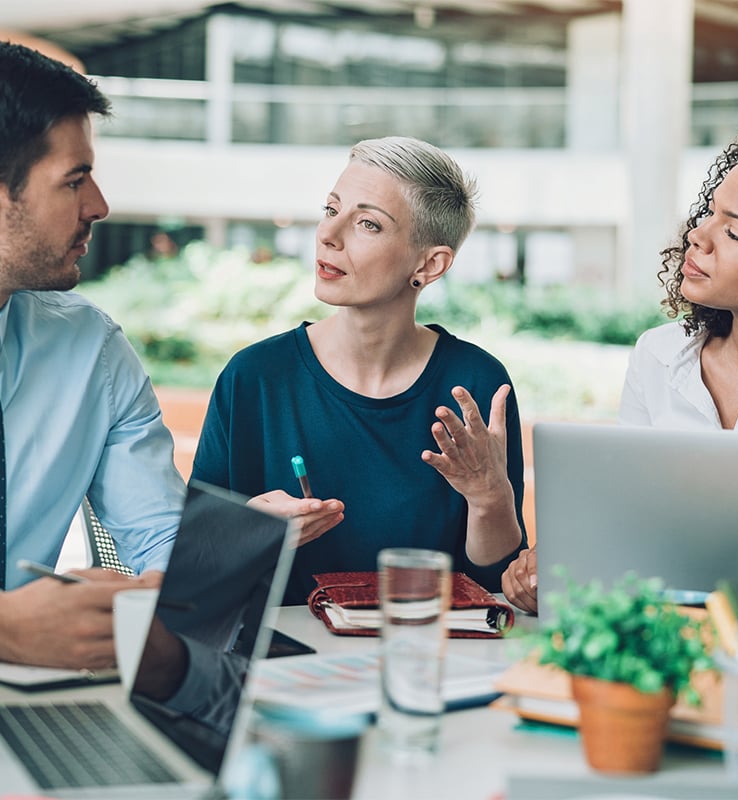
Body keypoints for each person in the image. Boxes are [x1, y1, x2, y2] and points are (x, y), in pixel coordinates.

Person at [191, 135, 527, 604]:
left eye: (367, 223)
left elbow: (494, 587)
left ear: (430, 264)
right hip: (283, 662)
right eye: (331, 210)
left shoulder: (475, 387)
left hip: (427, 655)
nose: (329, 235)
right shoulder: (254, 378)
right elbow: (193, 566)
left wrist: (490, 498)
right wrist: (249, 529)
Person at [502, 130, 738, 614]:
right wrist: (560, 568)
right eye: (709, 214)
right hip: (673, 632)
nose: (697, 236)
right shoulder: (659, 356)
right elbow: (632, 526)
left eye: (733, 231)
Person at [0, 41, 186, 668]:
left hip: (40, 706)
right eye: (74, 181)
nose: (99, 207)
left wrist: (199, 565)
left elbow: (160, 536)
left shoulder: (93, 351)